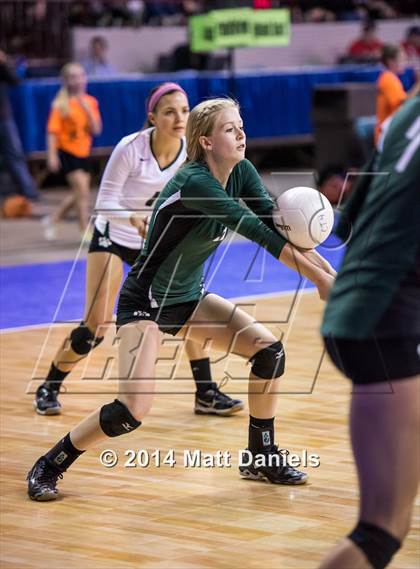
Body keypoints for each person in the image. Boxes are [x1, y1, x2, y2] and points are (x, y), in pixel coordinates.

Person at [27, 97, 336, 501]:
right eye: (230, 129)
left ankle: (260, 455)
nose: (241, 133)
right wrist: (320, 280)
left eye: (241, 125)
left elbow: (277, 228)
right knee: (131, 411)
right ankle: (50, 463)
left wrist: (331, 277)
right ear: (206, 142)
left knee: (269, 352)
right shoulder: (195, 182)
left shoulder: (241, 172)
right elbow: (258, 235)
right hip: (146, 302)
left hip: (187, 298)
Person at [35, 82, 243, 418]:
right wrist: (132, 217)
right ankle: (51, 383)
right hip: (114, 236)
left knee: (187, 306)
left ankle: (205, 392)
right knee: (97, 326)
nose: (179, 118)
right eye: (170, 112)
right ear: (152, 117)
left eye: (185, 110)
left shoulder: (192, 156)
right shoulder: (131, 148)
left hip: (154, 242)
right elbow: (103, 203)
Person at [320, 96, 420, 569]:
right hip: (387, 322)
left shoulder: (408, 111)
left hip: (356, 310)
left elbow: (345, 222)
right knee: (382, 529)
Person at [42, 62, 102, 240]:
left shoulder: (91, 102)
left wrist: (87, 109)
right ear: (66, 81)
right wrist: (52, 155)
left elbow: (96, 129)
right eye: (73, 77)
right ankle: (85, 229)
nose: (78, 80)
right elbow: (52, 133)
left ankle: (54, 219)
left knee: (80, 192)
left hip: (83, 152)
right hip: (67, 151)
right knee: (82, 191)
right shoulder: (60, 104)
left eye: (81, 76)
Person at [0, 49, 39, 202]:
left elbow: (15, 80)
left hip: (3, 117)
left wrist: (3, 64)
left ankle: (29, 191)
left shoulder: (1, 67)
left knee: (15, 154)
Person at [375, 44, 419, 142]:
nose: (405, 63)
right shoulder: (388, 79)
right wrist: (418, 83)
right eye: (402, 60)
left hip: (393, 133)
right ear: (391, 61)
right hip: (386, 136)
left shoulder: (392, 78)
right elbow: (404, 104)